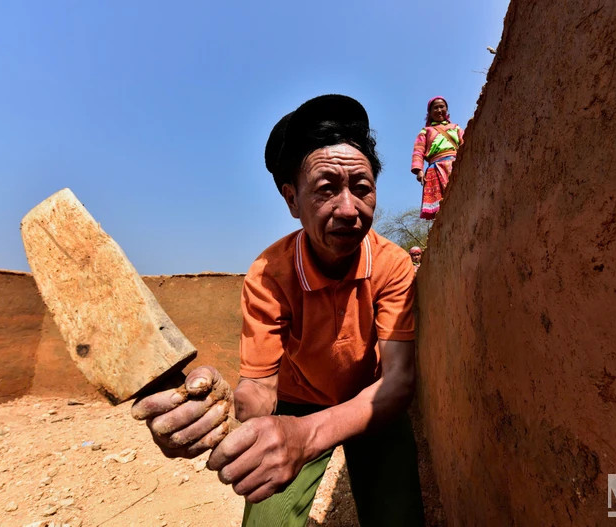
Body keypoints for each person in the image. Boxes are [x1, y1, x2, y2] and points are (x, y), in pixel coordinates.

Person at [131, 94, 425, 527]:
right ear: (292, 201)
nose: (349, 209)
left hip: (371, 403)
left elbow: (397, 382)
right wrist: (217, 405)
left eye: (361, 189)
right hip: (298, 404)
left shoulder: (392, 264)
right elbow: (259, 388)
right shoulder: (268, 275)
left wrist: (308, 437)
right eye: (326, 189)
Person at [410, 96, 464, 219]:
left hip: (456, 165)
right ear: (429, 112)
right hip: (435, 168)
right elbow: (418, 151)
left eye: (442, 107)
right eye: (435, 108)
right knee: (443, 207)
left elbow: (466, 144)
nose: (439, 110)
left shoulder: (456, 128)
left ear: (446, 109)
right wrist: (419, 170)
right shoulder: (425, 131)